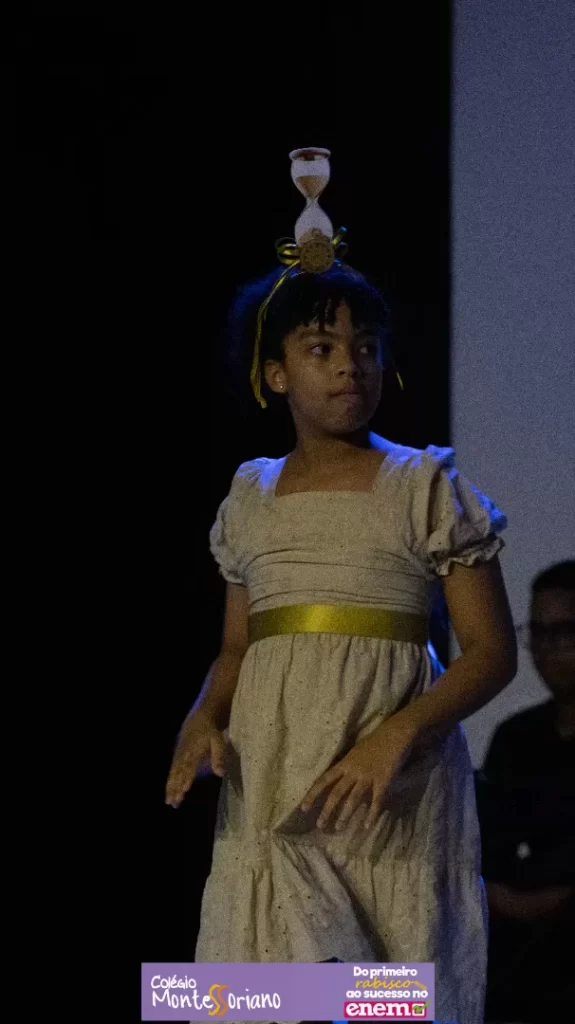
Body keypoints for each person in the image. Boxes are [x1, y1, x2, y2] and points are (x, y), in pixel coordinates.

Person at [165, 149, 517, 1024]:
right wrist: (203, 716)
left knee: (385, 994)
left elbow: (489, 654)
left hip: (386, 788)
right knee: (259, 994)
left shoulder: (423, 484)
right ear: (276, 373)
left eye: (363, 348)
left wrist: (393, 736)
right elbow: (238, 647)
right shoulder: (250, 496)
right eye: (320, 349)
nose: (347, 366)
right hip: (274, 771)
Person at [478, 559, 575, 1022]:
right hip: (516, 959)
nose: (548, 649)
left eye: (565, 632)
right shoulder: (516, 737)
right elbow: (489, 848)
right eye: (538, 632)